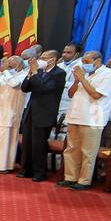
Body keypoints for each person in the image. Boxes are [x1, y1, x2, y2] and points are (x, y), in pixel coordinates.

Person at [59, 50, 111, 190]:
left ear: (97, 61)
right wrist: (77, 80)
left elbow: (96, 94)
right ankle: (70, 177)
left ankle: (84, 180)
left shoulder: (108, 74)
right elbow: (70, 93)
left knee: (88, 152)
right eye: (83, 62)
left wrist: (82, 79)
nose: (84, 65)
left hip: (93, 118)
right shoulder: (83, 75)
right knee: (71, 149)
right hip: (75, 115)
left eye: (87, 62)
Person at [18, 49, 68, 182]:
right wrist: (30, 74)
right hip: (31, 111)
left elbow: (43, 88)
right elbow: (25, 88)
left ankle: (39, 172)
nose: (41, 60)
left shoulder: (59, 73)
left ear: (53, 59)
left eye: (45, 58)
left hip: (45, 113)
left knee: (39, 144)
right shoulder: (38, 72)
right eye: (41, 57)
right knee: (27, 142)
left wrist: (34, 73)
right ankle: (26, 170)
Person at [0, 56, 27, 173]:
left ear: (19, 65)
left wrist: (6, 72)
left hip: (11, 111)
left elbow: (15, 84)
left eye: (11, 64)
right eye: (8, 64)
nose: (8, 66)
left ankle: (4, 165)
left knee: (6, 139)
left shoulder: (23, 74)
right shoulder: (5, 74)